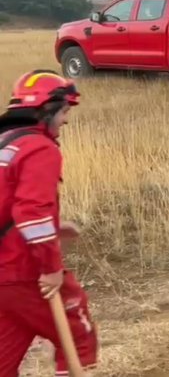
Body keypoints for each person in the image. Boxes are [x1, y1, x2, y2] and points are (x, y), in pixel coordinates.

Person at [0, 71, 99, 375]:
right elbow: (32, 214)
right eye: (65, 111)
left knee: (7, 346)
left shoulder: (5, 142)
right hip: (21, 267)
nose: (66, 119)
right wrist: (50, 269)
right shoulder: (39, 149)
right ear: (47, 110)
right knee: (77, 331)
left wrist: (55, 227)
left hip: (5, 271)